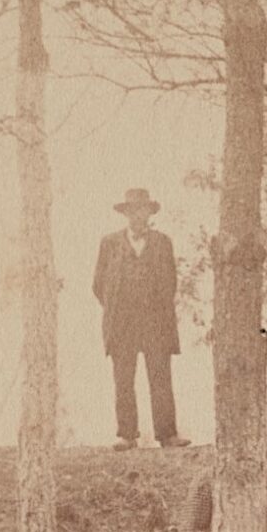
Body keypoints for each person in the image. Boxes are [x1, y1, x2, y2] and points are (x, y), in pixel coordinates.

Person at [95, 188, 182, 449]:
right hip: (122, 324)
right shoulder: (109, 243)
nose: (137, 215)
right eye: (132, 210)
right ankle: (127, 435)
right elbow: (98, 284)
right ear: (126, 214)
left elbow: (171, 282)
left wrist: (154, 309)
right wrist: (118, 308)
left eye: (142, 210)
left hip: (155, 323)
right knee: (123, 379)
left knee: (160, 378)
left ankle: (168, 435)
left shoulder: (163, 242)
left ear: (149, 212)